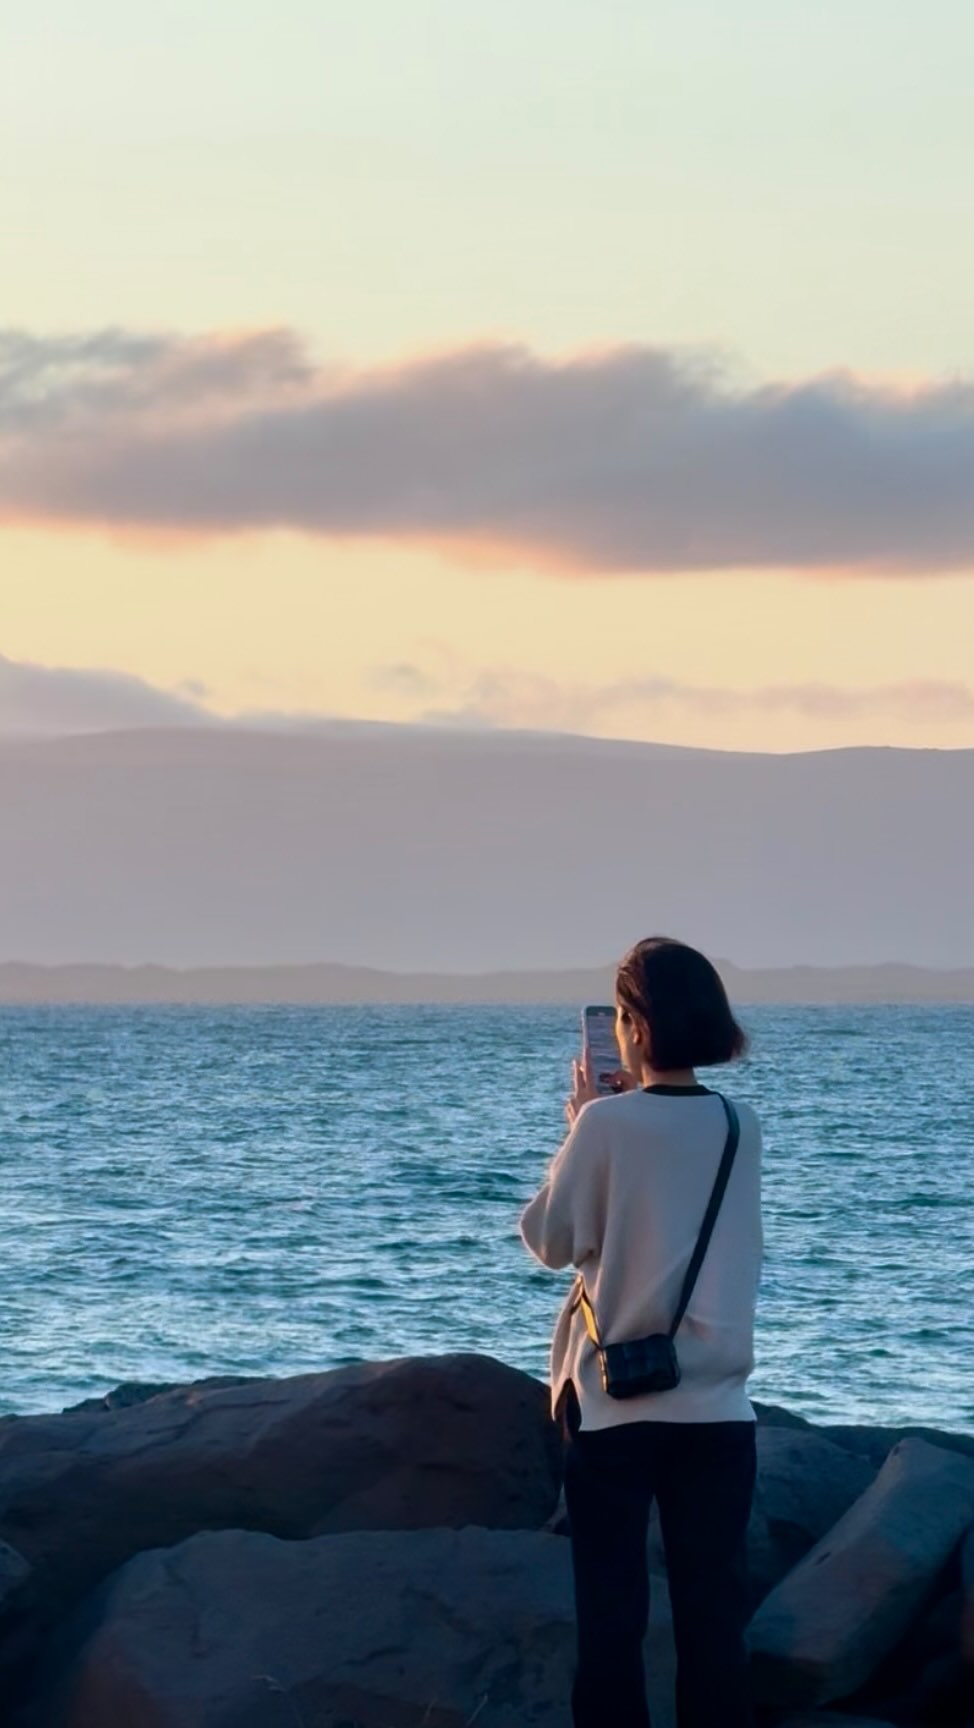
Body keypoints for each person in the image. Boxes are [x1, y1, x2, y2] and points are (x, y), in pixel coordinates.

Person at [520, 936, 762, 1728]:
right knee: (711, 1622)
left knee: (612, 1621)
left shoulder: (606, 1126)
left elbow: (550, 1242)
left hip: (617, 1400)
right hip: (720, 1411)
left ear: (631, 1023)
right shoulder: (739, 1125)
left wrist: (580, 1128)